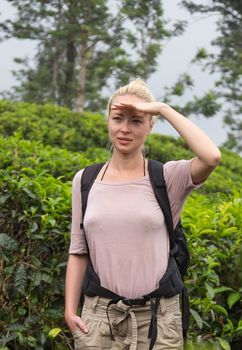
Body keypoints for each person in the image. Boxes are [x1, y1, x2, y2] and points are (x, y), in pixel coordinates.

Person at [64, 79, 221, 349]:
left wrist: (162, 108)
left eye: (137, 120)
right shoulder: (85, 180)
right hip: (100, 318)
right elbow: (79, 249)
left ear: (150, 126)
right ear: (108, 121)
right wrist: (69, 310)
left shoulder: (167, 177)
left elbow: (211, 157)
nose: (125, 129)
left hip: (159, 320)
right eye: (118, 119)